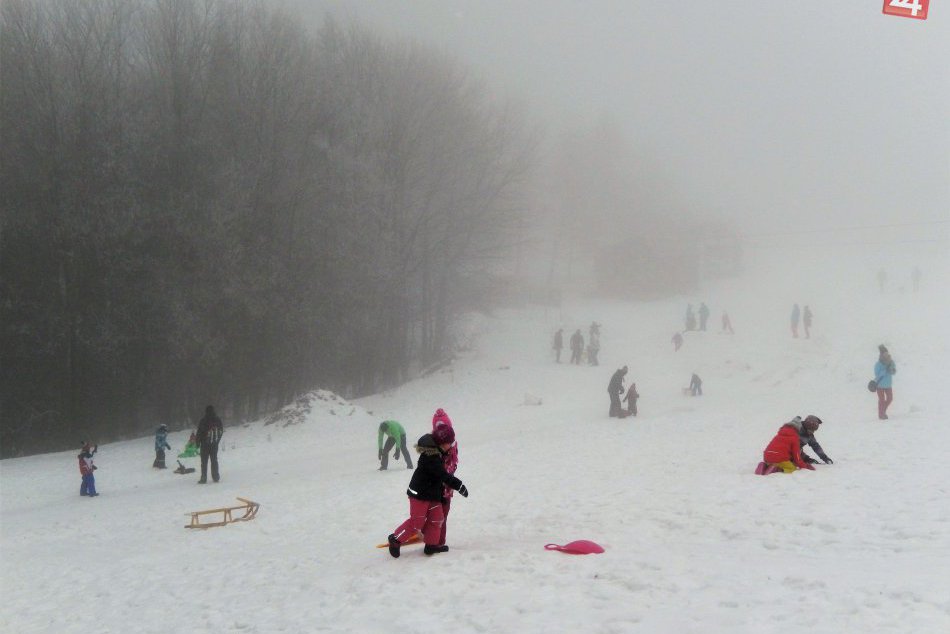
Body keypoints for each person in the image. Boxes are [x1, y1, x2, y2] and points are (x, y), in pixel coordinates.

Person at [386, 426, 468, 558]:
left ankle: (431, 545)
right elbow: (442, 475)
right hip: (419, 495)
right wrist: (459, 486)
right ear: (442, 442)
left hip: (432, 494)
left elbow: (437, 479)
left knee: (437, 519)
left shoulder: (440, 453)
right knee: (416, 523)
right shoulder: (430, 457)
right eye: (450, 442)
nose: (451, 445)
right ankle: (395, 539)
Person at [432, 408, 458, 547]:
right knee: (436, 515)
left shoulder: (452, 445)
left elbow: (454, 463)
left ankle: (439, 541)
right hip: (435, 488)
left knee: (443, 515)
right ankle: (434, 539)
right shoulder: (432, 447)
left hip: (446, 487)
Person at [196, 405, 224, 483]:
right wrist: (217, 441)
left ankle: (203, 478)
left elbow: (199, 432)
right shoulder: (217, 420)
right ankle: (216, 477)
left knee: (204, 462)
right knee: (214, 460)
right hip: (214, 444)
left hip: (205, 444)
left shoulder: (203, 420)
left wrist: (198, 442)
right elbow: (221, 431)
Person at [874, 345, 896, 420]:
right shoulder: (878, 364)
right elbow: (877, 374)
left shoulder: (891, 362)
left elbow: (894, 371)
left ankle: (882, 411)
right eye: (884, 353)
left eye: (887, 353)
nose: (886, 354)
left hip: (888, 385)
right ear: (881, 354)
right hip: (879, 385)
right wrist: (885, 370)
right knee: (882, 400)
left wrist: (892, 370)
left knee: (890, 399)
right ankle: (881, 415)